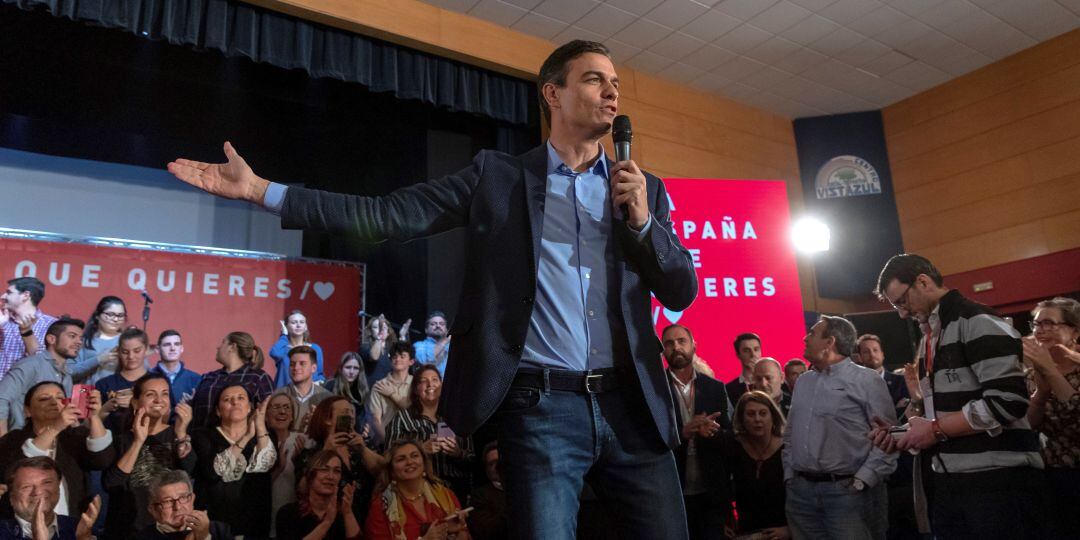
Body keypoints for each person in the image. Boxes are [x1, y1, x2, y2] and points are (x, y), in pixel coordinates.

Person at [169, 39, 697, 538]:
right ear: (552, 93)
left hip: (632, 406)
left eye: (615, 83)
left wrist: (644, 226)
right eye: (594, 80)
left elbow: (680, 290)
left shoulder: (643, 189)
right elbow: (386, 215)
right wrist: (265, 192)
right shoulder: (498, 178)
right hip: (543, 409)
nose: (612, 93)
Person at [868, 254, 1048, 539]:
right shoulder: (931, 334)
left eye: (901, 301)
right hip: (952, 478)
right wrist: (903, 434)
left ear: (923, 282)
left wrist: (936, 430)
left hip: (997, 481)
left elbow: (1008, 401)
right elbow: (940, 412)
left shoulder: (977, 320)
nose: (902, 313)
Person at [785, 315, 897, 540]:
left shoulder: (867, 380)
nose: (805, 338)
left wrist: (863, 480)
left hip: (849, 495)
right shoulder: (804, 382)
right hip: (801, 495)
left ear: (830, 342)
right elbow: (790, 433)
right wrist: (790, 475)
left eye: (812, 333)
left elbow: (888, 437)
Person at [101, 373, 195, 539]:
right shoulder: (121, 439)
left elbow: (190, 471)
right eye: (150, 394)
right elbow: (111, 484)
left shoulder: (177, 436)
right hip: (128, 530)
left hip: (170, 530)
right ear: (136, 402)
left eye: (165, 393)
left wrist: (181, 434)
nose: (159, 400)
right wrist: (138, 441)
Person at [0, 381, 114, 517]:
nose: (54, 402)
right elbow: (11, 470)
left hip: (69, 520)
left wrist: (94, 416)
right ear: (27, 410)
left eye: (60, 398)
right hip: (21, 523)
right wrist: (55, 427)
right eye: (44, 398)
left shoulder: (76, 435)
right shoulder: (13, 439)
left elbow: (102, 460)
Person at [661, 324, 730, 540]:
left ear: (693, 345)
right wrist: (682, 433)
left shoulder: (715, 387)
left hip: (711, 492)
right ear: (663, 350)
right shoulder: (654, 388)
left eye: (682, 341)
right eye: (670, 343)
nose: (676, 347)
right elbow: (644, 439)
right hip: (672, 491)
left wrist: (713, 432)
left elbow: (730, 437)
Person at [1023, 297, 1080, 538]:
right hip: (1055, 475)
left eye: (1050, 323)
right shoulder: (1030, 373)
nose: (1041, 330)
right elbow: (1031, 424)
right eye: (1037, 324)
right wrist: (1041, 391)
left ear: (1074, 331)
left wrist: (1050, 371)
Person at [190, 384, 275, 539]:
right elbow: (212, 472)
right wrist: (246, 437)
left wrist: (260, 425)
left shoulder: (265, 437)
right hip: (214, 524)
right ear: (217, 410)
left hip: (254, 523)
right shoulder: (203, 436)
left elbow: (266, 465)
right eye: (227, 399)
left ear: (250, 407)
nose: (235, 402)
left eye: (241, 398)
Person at [384, 365, 474, 502]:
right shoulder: (403, 418)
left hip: (457, 489)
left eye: (435, 380)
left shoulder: (456, 417)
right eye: (423, 381)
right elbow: (388, 456)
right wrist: (421, 449)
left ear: (442, 386)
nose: (430, 384)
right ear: (415, 389)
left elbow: (473, 459)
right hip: (420, 491)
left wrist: (458, 453)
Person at [295, 396, 383, 524]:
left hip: (368, 520)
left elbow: (385, 472)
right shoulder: (310, 454)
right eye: (345, 413)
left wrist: (363, 450)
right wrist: (325, 452)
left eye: (352, 412)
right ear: (327, 419)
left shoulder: (362, 447)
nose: (351, 417)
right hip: (331, 523)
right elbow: (302, 490)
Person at [364, 440, 471, 540]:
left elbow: (464, 534)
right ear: (391, 471)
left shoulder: (446, 494)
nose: (409, 462)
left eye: (414, 456)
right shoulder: (381, 505)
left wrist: (458, 531)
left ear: (424, 463)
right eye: (401, 459)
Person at [0, 318, 90, 435]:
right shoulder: (31, 365)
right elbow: (1, 398)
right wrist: (3, 440)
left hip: (49, 442)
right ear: (51, 339)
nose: (79, 342)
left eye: (81, 338)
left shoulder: (67, 376)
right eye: (72, 336)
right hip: (20, 441)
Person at [720, 391, 788, 539]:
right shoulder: (733, 445)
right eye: (751, 414)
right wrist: (724, 519)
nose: (757, 419)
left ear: (773, 417)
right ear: (742, 419)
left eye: (763, 413)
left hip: (781, 530)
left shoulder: (788, 448)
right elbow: (719, 485)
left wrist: (789, 529)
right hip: (746, 530)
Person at [0, 457, 99, 540]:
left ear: (59, 487)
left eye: (46, 482)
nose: (38, 492)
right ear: (11, 497)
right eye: (26, 486)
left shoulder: (81, 528)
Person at [190, 332, 274, 427]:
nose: (218, 347)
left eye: (223, 343)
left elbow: (270, 415)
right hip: (200, 439)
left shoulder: (258, 377)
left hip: (241, 440)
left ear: (232, 347)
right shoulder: (209, 377)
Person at [275, 450, 363, 540]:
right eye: (324, 470)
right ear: (310, 476)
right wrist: (327, 522)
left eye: (337, 471)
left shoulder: (346, 511)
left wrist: (347, 513)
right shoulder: (288, 513)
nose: (331, 476)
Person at [134, 469, 232, 539]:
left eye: (183, 497)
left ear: (192, 499)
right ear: (153, 510)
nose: (178, 507)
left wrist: (205, 537)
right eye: (168, 501)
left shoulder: (219, 531)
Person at [0, 277, 58, 381]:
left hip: (25, 392)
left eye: (9, 292)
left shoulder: (50, 325)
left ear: (26, 295)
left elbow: (45, 363)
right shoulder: (3, 320)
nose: (3, 296)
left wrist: (27, 332)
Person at [265, 392, 304, 539]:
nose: (282, 411)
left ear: (293, 415)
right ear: (266, 414)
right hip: (266, 518)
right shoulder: (258, 444)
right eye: (276, 407)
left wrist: (300, 463)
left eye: (287, 407)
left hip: (295, 518)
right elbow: (254, 490)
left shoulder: (303, 441)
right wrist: (279, 468)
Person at [95, 328, 151, 425]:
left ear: (146, 349)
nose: (131, 356)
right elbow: (88, 425)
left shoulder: (157, 382)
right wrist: (105, 409)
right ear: (118, 351)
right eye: (125, 352)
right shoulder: (103, 384)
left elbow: (166, 417)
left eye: (137, 351)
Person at [272, 345, 331, 431]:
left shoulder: (326, 398)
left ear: (313, 368)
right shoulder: (277, 396)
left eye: (302, 364)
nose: (296, 368)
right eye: (292, 364)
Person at [73, 296, 128, 385]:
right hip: (86, 394)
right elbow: (71, 372)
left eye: (120, 315)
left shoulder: (127, 341)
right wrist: (99, 359)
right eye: (110, 314)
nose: (116, 319)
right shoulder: (85, 341)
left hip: (116, 396)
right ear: (97, 316)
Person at [368, 342, 414, 443]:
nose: (398, 359)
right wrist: (387, 441)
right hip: (386, 440)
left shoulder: (416, 384)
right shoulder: (379, 385)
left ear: (411, 361)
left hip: (413, 440)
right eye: (395, 356)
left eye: (402, 356)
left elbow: (413, 411)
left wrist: (391, 394)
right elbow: (376, 420)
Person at [856, 334, 909, 418]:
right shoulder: (855, 386)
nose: (872, 354)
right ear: (859, 357)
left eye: (875, 350)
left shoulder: (902, 382)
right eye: (866, 351)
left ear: (882, 354)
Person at [270, 310, 325, 388]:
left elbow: (319, 374)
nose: (298, 325)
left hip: (308, 396)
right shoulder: (283, 349)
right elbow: (274, 353)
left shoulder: (315, 348)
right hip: (285, 396)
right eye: (294, 322)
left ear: (306, 327)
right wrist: (283, 335)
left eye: (302, 322)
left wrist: (318, 383)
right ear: (286, 327)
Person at [150, 330, 202, 408]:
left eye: (177, 344)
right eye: (167, 345)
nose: (173, 348)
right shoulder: (148, 377)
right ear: (157, 349)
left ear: (182, 348)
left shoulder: (196, 379)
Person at [324, 352, 372, 433]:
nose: (351, 372)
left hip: (356, 434)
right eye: (348, 367)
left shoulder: (362, 389)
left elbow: (364, 417)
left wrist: (366, 428)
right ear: (341, 368)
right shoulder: (331, 385)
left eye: (356, 368)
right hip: (333, 432)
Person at [467, 441, 506, 540]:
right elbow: (484, 530)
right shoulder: (479, 496)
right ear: (486, 470)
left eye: (499, 462)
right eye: (491, 464)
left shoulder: (522, 489)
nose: (497, 467)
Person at [360, 315, 406, 384]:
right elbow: (374, 357)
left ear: (388, 333)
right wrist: (379, 337)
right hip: (372, 391)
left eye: (384, 327)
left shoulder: (391, 350)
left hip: (390, 391)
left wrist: (402, 336)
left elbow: (403, 363)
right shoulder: (365, 347)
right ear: (370, 332)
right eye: (376, 327)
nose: (381, 329)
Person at [727, 333, 762, 404]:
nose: (753, 355)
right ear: (738, 355)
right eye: (747, 351)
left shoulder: (774, 382)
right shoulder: (728, 389)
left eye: (756, 349)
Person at [412, 312, 450, 378]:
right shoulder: (419, 346)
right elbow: (424, 361)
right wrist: (445, 341)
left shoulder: (452, 346)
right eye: (433, 324)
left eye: (441, 324)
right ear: (426, 330)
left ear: (446, 330)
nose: (438, 326)